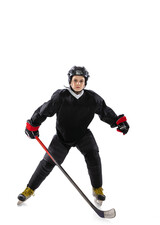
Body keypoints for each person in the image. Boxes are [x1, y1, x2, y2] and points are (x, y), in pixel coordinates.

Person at [18, 66, 129, 204]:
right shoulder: (60, 96)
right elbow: (44, 110)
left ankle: (97, 189)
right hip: (62, 137)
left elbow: (105, 111)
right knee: (47, 163)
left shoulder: (93, 98)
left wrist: (118, 122)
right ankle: (29, 190)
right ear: (70, 81)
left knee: (93, 156)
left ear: (85, 82)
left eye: (81, 81)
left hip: (82, 135)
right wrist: (33, 124)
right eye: (75, 80)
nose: (78, 83)